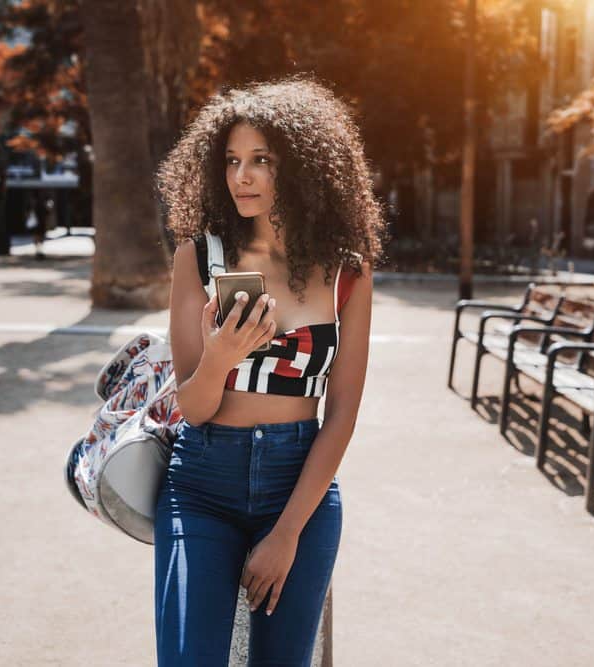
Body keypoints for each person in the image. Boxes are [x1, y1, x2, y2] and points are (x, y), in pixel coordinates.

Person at [154, 75, 386, 665]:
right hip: (202, 482)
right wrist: (221, 359)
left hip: (298, 484)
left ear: (304, 168)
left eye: (261, 160)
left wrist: (286, 534)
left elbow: (342, 413)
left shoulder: (347, 273)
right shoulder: (198, 257)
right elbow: (194, 407)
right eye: (231, 160)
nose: (242, 176)